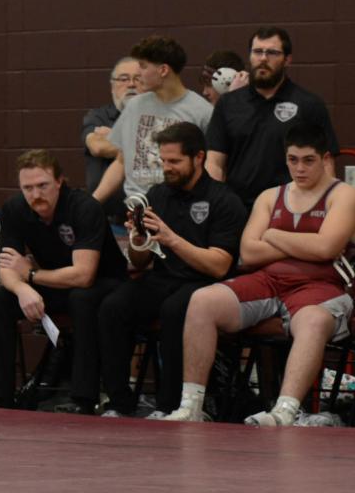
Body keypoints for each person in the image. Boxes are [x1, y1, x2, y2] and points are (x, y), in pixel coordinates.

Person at [168, 124, 355, 425]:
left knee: (313, 320)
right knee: (202, 300)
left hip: (321, 286)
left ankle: (284, 411)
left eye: (308, 160)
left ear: (325, 159)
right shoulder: (271, 196)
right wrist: (304, 244)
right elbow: (248, 252)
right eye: (293, 159)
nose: (299, 168)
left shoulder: (344, 195)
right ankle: (191, 405)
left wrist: (273, 233)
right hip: (269, 282)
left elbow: (326, 249)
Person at [97, 122, 246, 418]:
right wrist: (138, 240)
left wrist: (172, 239)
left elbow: (219, 266)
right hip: (164, 277)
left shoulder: (224, 200)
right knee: (113, 306)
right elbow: (140, 262)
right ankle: (119, 403)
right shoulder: (158, 194)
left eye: (175, 161)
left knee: (175, 309)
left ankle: (170, 405)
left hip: (204, 284)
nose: (168, 168)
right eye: (164, 161)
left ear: (199, 158)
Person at [0, 150, 123, 412]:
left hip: (103, 284)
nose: (35, 195)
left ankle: (83, 398)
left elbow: (84, 275)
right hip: (54, 282)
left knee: (81, 298)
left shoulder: (83, 207)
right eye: (28, 187)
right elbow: (7, 266)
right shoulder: (15, 209)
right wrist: (22, 288)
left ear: (59, 181)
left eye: (42, 186)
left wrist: (33, 276)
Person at [205, 27, 337, 209]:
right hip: (238, 208)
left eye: (272, 52)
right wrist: (216, 204)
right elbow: (214, 163)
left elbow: (326, 163)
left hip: (292, 208)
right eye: (257, 51)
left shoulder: (309, 104)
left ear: (287, 60)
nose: (263, 58)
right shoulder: (228, 104)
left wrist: (325, 207)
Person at [98, 36, 213, 203]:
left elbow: (210, 167)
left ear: (163, 70)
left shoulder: (202, 112)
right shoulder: (134, 106)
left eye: (143, 67)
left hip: (179, 207)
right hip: (136, 208)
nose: (138, 74)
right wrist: (93, 201)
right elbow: (121, 162)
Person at [83, 58, 142, 198]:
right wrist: (143, 144)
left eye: (138, 79)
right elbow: (98, 147)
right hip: (105, 214)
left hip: (147, 212)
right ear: (112, 86)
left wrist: (113, 136)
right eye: (124, 79)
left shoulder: (157, 116)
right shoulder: (98, 117)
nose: (131, 84)